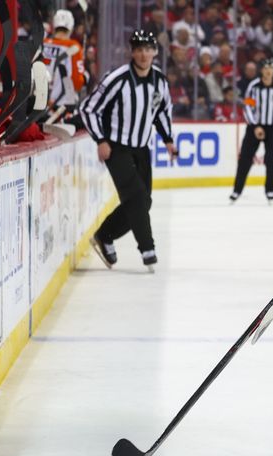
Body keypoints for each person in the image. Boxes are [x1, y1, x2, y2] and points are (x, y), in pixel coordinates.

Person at [80, 30, 176, 270]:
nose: (143, 54)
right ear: (132, 52)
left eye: (148, 49)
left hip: (142, 148)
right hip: (116, 148)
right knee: (135, 196)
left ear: (155, 52)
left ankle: (105, 234)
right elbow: (88, 109)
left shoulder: (160, 81)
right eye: (139, 49)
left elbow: (162, 112)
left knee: (144, 201)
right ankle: (148, 249)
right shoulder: (118, 78)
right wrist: (101, 139)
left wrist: (168, 140)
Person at [230, 58, 273, 204]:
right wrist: (255, 126)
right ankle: (237, 190)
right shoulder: (254, 86)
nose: (268, 71)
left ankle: (269, 191)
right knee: (245, 159)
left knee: (272, 160)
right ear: (261, 70)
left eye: (271, 68)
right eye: (265, 68)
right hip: (255, 126)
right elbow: (247, 107)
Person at [42, 9, 86, 127]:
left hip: (39, 106)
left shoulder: (43, 43)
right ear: (71, 27)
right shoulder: (74, 47)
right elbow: (78, 82)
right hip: (62, 108)